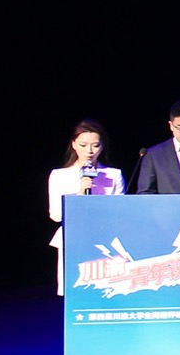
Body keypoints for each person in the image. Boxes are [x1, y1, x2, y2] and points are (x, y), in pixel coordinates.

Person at [49, 119, 125, 294]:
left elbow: (120, 211)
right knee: (75, 290)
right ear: (74, 144)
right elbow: (56, 215)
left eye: (95, 145)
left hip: (105, 241)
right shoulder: (59, 176)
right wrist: (79, 193)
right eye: (83, 145)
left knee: (105, 290)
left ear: (102, 146)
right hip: (73, 238)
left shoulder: (113, 175)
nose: (89, 151)